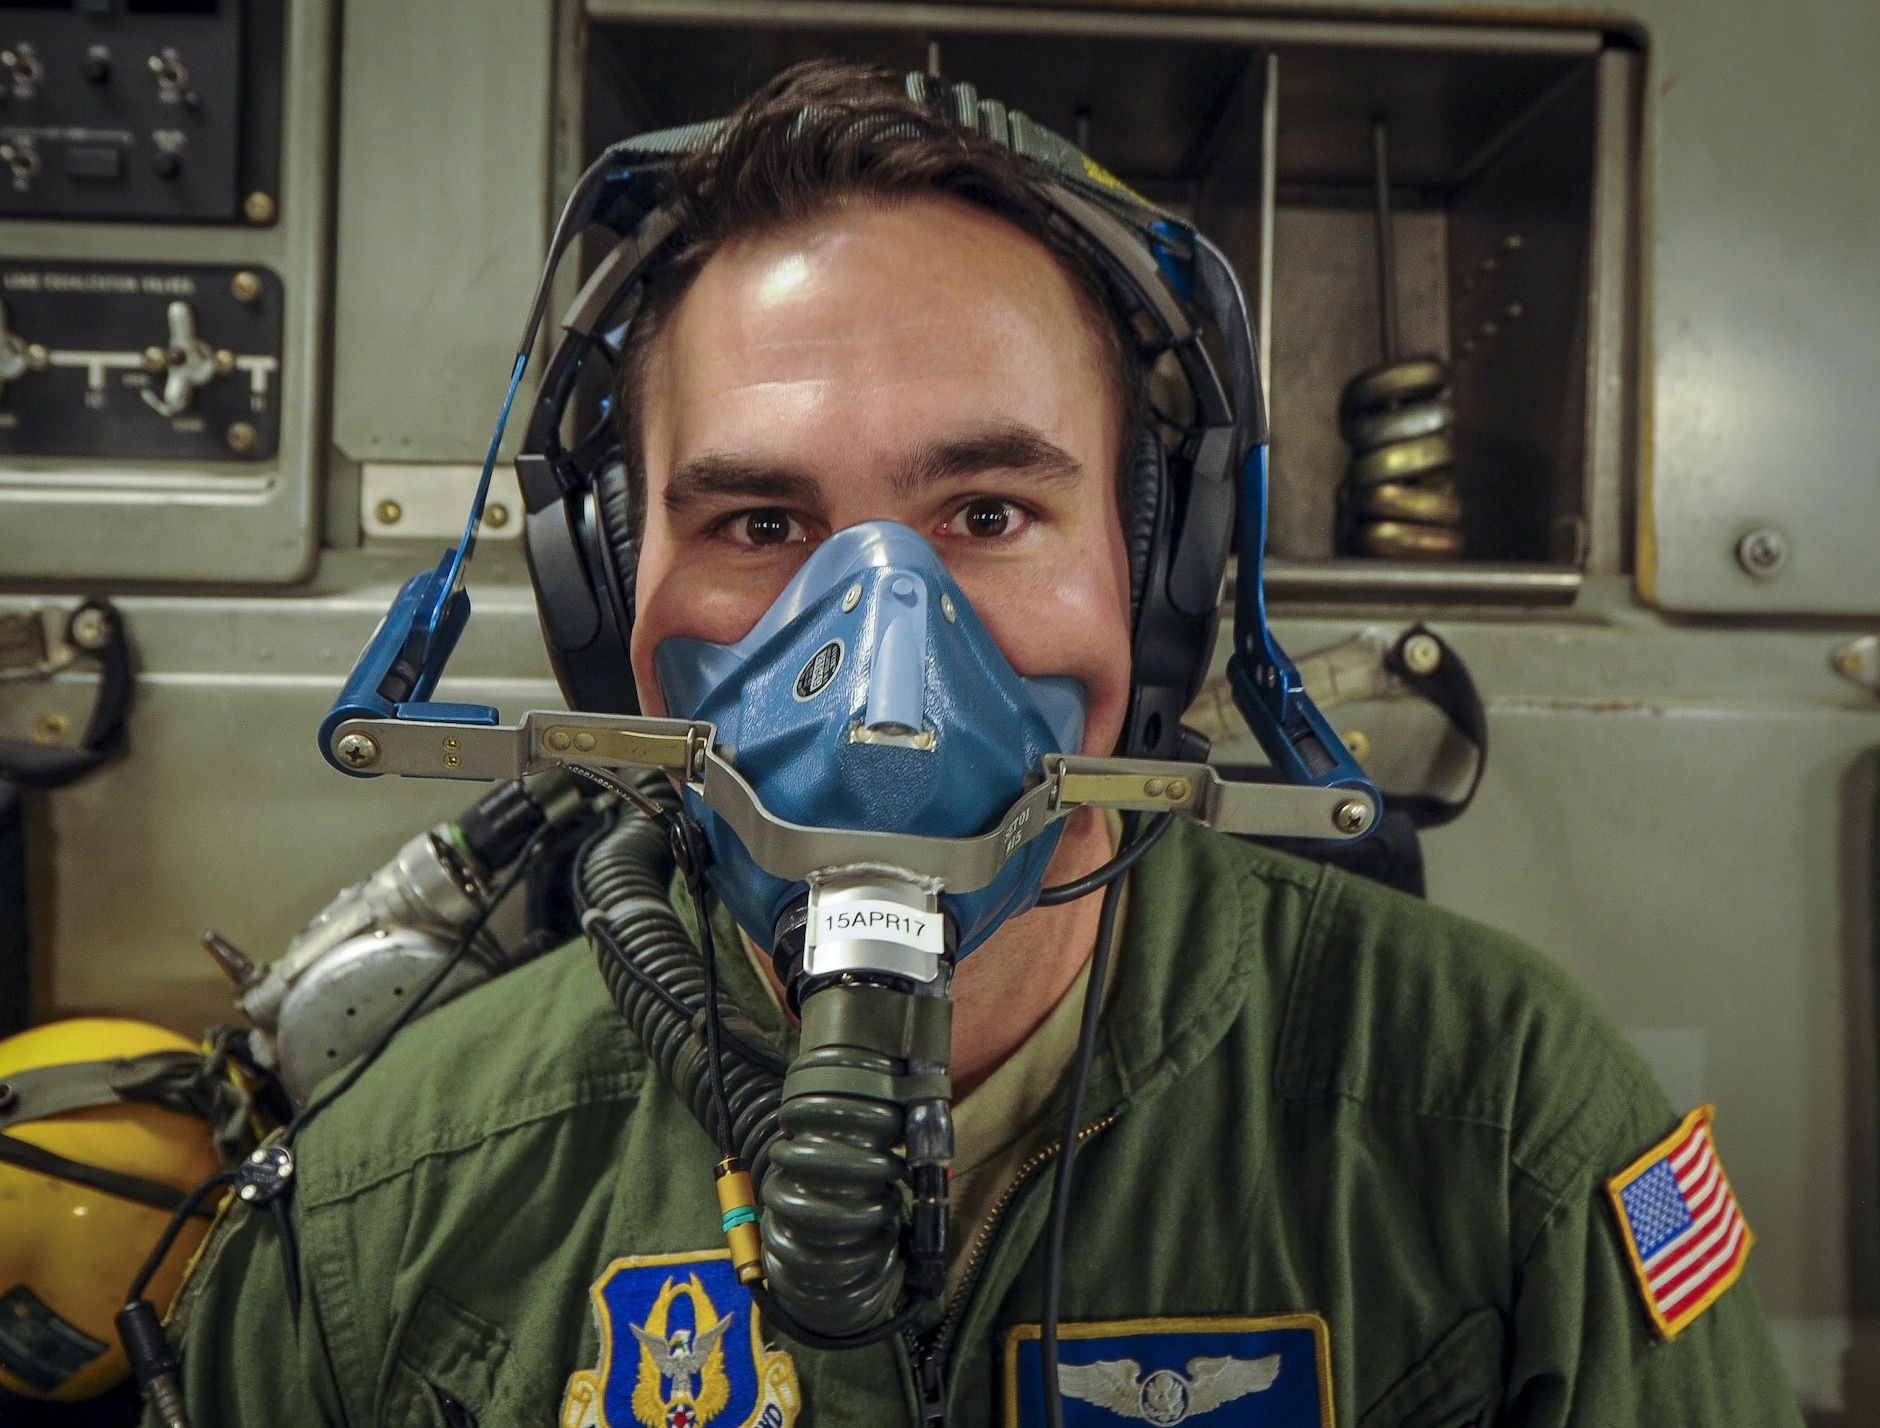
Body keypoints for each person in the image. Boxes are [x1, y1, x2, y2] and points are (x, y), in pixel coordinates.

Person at [156, 62, 1801, 1427]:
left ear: (1157, 585)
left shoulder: (1509, 1128)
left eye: (990, 510)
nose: (884, 661)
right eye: (757, 517)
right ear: (605, 599)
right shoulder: (385, 1214)